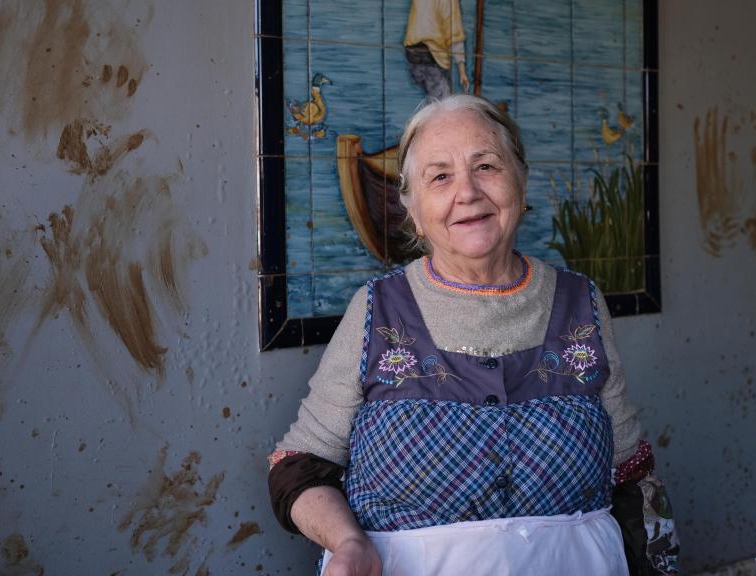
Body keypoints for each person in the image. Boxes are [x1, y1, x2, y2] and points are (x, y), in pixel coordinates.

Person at [268, 95, 677, 575]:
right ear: (414, 212)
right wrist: (348, 541)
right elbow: (299, 463)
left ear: (520, 183)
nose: (467, 192)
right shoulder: (378, 309)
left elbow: (632, 474)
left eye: (486, 166)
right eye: (440, 176)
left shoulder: (580, 303)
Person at [404, 0, 470, 98]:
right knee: (443, 101)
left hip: (412, 53)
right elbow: (454, 34)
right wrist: (462, 71)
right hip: (433, 55)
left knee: (433, 98)